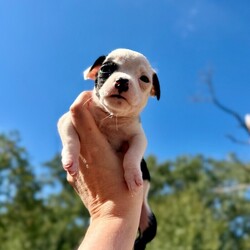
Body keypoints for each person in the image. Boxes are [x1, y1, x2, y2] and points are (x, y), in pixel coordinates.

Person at [66, 91, 143, 250]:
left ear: (152, 91)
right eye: (107, 70)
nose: (122, 80)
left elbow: (139, 138)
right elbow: (65, 122)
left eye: (143, 79)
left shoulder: (132, 122)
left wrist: (132, 162)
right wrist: (70, 147)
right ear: (93, 74)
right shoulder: (91, 106)